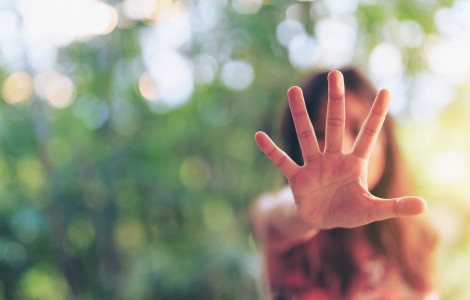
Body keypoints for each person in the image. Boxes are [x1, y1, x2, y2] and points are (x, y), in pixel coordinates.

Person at [252, 69, 437, 300]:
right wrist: (302, 214)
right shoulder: (279, 216)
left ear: (387, 145)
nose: (344, 147)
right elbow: (274, 216)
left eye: (358, 130)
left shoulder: (418, 240)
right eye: (321, 133)